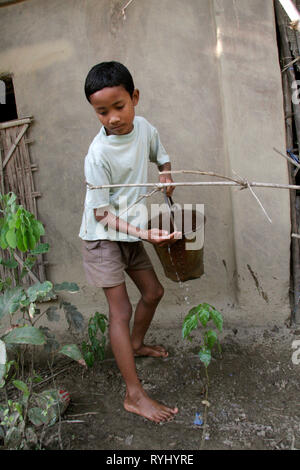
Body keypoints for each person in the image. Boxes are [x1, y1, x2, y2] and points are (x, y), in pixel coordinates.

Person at [79, 61, 179, 423]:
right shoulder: (98, 155)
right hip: (104, 236)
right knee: (119, 311)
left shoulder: (145, 129)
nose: (112, 118)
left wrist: (166, 173)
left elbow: (160, 155)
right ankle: (134, 395)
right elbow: (101, 214)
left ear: (134, 97)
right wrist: (146, 234)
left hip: (129, 232)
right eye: (101, 112)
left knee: (153, 292)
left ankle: (135, 346)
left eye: (118, 107)